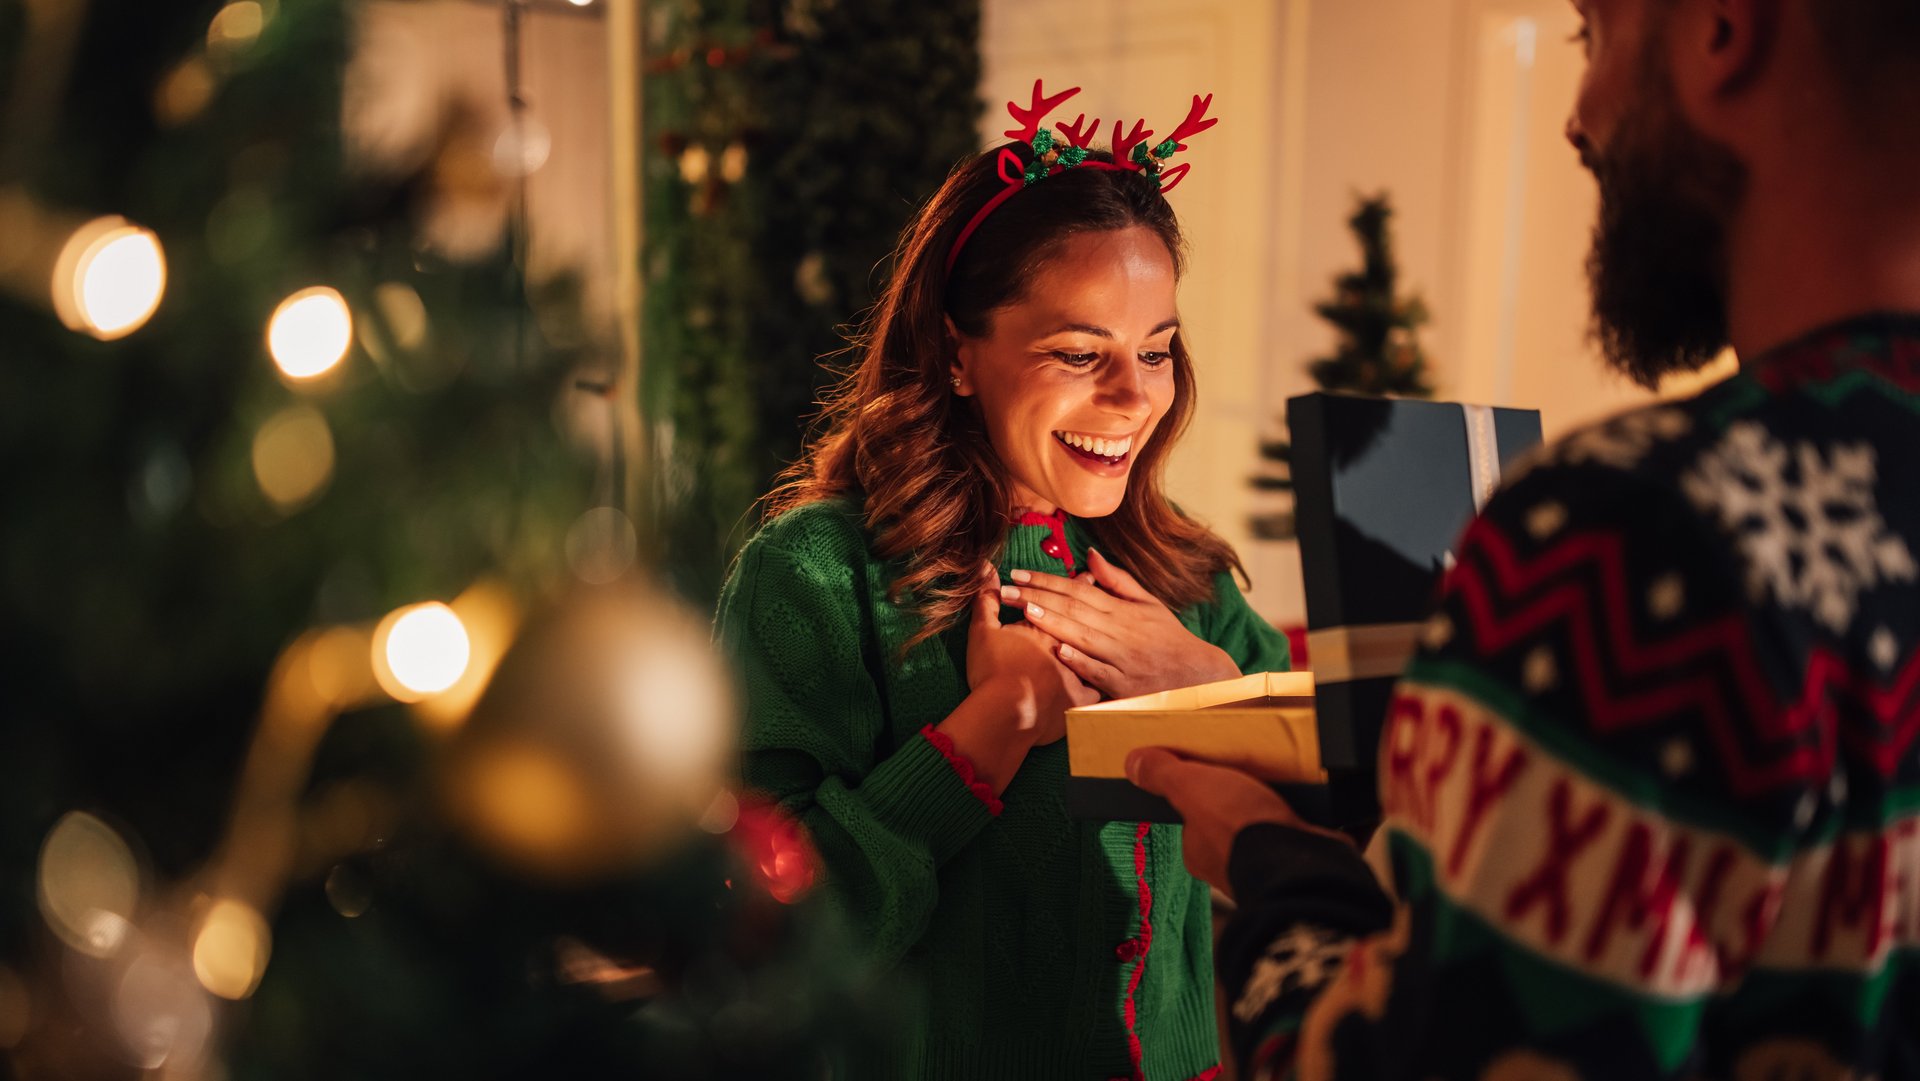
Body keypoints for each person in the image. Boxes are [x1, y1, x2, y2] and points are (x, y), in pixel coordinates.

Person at [1129, 1, 1920, 1078]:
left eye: (1594, 37)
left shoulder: (1637, 534)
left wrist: (1277, 872)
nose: (1577, 119)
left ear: (1722, 31)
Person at [714, 83, 1292, 1080]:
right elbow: (760, 931)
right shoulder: (815, 576)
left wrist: (1201, 681)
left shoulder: (1186, 579)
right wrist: (992, 727)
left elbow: (1328, 819)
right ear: (957, 352)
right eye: (1080, 352)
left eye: (1156, 350)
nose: (1135, 394)